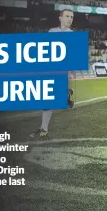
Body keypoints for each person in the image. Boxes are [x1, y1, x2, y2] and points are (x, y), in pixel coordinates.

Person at [29, 9, 75, 139]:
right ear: (60, 18)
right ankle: (65, 94)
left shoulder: (72, 35)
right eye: (67, 16)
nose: (69, 19)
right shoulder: (52, 32)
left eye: (71, 17)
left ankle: (44, 128)